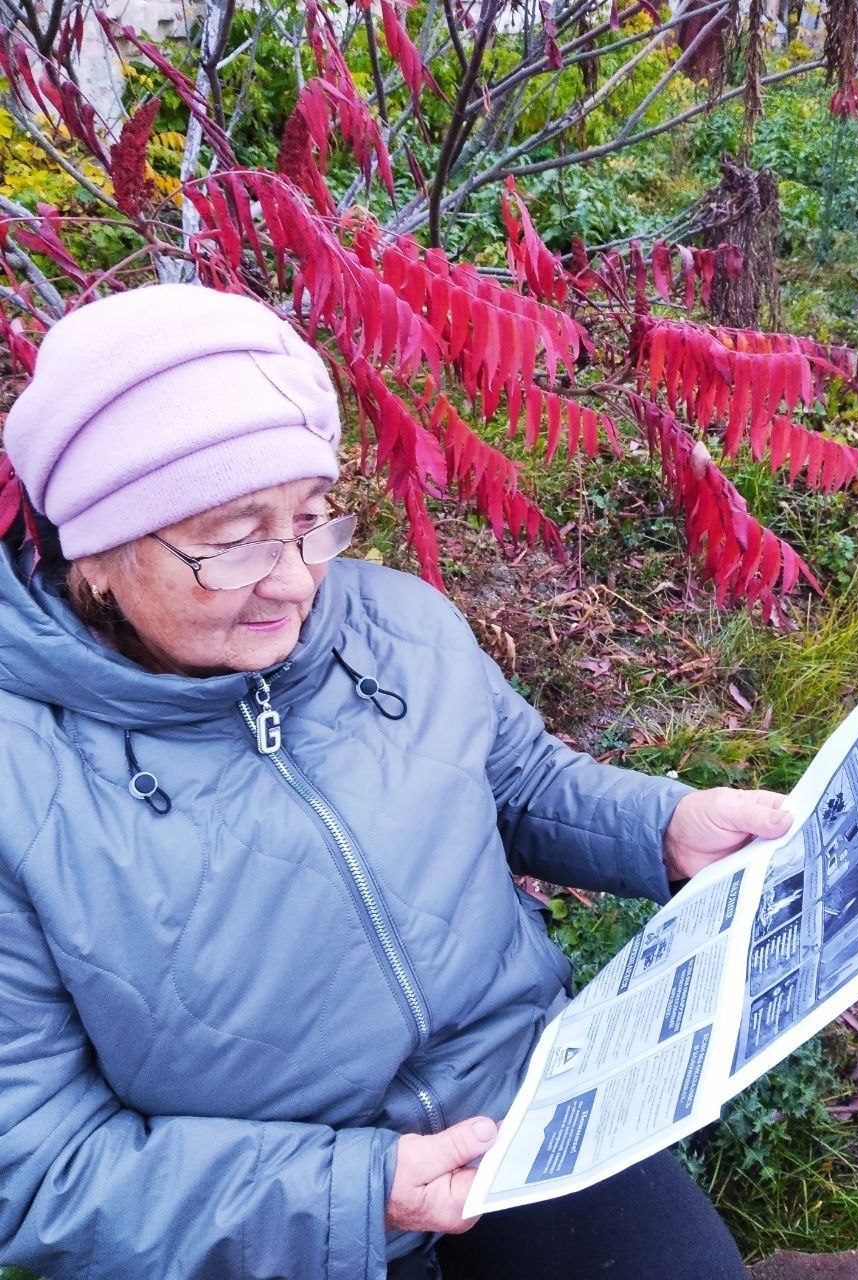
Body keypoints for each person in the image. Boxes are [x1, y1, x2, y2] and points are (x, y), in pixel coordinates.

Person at [0, 284, 792, 1280]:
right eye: (237, 539)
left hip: (523, 1107)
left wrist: (663, 826)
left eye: (312, 519)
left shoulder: (396, 625)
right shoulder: (21, 783)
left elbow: (517, 781)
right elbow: (36, 1165)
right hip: (268, 1222)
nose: (296, 578)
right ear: (98, 555)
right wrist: (352, 1192)